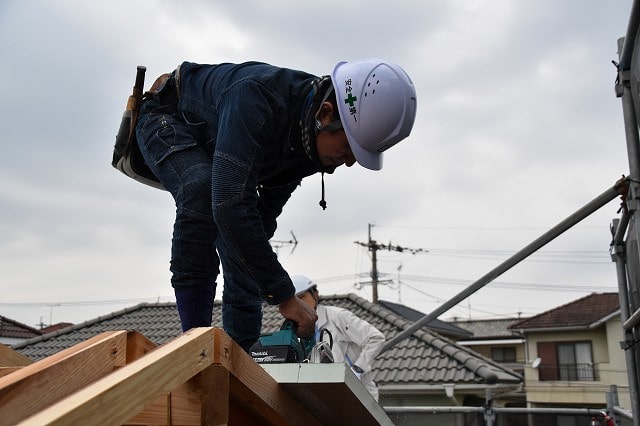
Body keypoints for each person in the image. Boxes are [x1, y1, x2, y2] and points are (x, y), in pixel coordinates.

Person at [135, 59, 417, 352]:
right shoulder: (258, 98)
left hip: (217, 142)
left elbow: (255, 223)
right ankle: (192, 343)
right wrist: (285, 297)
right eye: (348, 147)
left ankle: (240, 352)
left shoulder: (309, 142)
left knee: (246, 238)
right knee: (203, 192)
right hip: (166, 119)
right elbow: (229, 203)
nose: (348, 161)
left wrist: (261, 281)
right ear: (326, 113)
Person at [292, 274, 386, 401]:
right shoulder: (294, 328)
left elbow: (375, 338)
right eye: (296, 301)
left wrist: (357, 368)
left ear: (315, 295)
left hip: (360, 393)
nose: (300, 304)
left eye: (302, 297)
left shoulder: (337, 317)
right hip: (326, 396)